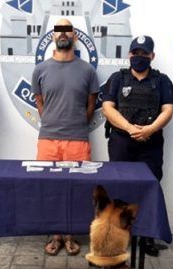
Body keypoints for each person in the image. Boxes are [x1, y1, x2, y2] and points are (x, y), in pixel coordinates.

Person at [102, 35, 173, 257]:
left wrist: (149, 129)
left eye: (144, 53)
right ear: (129, 54)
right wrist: (130, 128)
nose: (139, 57)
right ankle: (118, 236)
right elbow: (107, 108)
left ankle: (146, 238)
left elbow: (168, 110)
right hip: (122, 142)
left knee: (149, 189)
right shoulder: (117, 79)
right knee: (119, 188)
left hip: (150, 144)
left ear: (152, 56)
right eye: (136, 53)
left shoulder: (162, 81)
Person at [31, 18, 100, 256]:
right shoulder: (40, 70)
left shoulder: (87, 71)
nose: (62, 34)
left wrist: (77, 122)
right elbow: (39, 102)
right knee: (50, 188)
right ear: (52, 36)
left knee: (77, 188)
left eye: (67, 29)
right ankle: (55, 234)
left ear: (75, 36)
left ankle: (70, 235)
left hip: (78, 139)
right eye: (58, 30)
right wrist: (51, 119)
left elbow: (91, 105)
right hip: (48, 139)